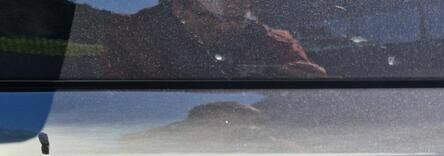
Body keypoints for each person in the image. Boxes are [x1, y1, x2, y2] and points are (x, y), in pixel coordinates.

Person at [95, 0, 326, 78]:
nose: (225, 27)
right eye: (212, 17)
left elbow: (309, 113)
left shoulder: (275, 44)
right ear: (179, 9)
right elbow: (118, 109)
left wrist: (303, 86)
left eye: (237, 19)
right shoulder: (136, 40)